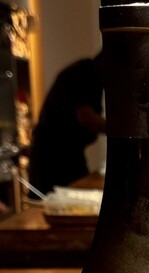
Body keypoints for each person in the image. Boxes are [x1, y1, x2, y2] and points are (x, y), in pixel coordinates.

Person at [28, 52, 105, 196]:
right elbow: (86, 118)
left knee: (79, 197)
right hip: (52, 156)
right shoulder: (81, 74)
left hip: (70, 153)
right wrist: (122, 130)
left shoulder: (93, 77)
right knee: (49, 202)